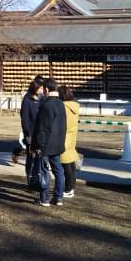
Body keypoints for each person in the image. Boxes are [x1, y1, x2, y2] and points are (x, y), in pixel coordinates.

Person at [31, 78, 66, 207]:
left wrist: (38, 144)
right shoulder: (61, 103)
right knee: (58, 170)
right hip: (58, 143)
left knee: (43, 170)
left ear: (46, 89)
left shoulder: (46, 105)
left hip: (46, 144)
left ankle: (44, 198)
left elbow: (43, 128)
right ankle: (58, 197)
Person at [19, 77, 44, 177]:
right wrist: (27, 134)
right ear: (35, 88)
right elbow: (24, 119)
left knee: (39, 156)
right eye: (40, 88)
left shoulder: (42, 98)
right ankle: (29, 176)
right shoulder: (27, 100)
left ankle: (37, 176)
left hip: (40, 132)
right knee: (31, 156)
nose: (42, 90)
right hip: (31, 132)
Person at [59, 86, 80, 199]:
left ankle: (68, 189)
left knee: (66, 165)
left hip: (64, 137)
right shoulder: (74, 106)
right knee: (71, 164)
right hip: (72, 137)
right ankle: (71, 188)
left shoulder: (63, 107)